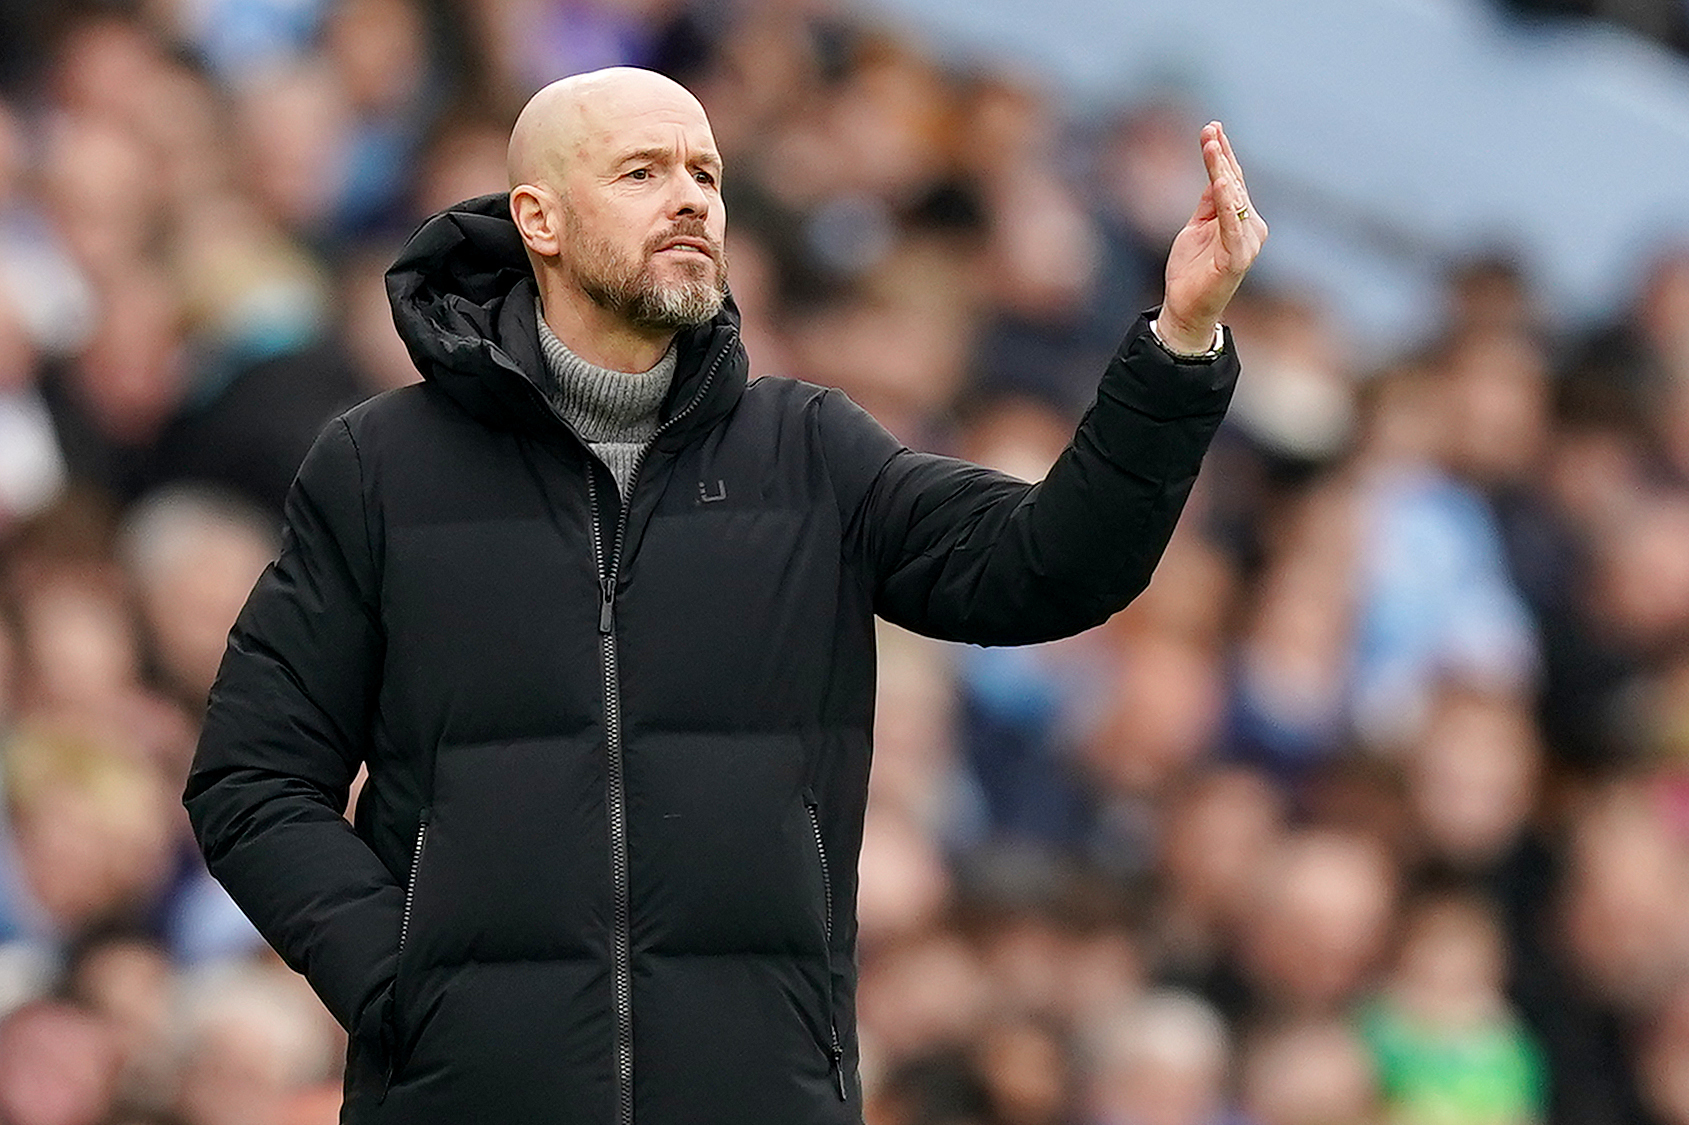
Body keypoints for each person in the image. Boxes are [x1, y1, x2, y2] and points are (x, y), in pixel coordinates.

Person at [183, 66, 1266, 1124]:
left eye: (706, 172)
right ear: (538, 220)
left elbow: (1047, 566)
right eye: (644, 172)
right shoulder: (380, 468)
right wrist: (408, 986)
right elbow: (252, 776)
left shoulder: (809, 450)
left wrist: (1177, 345)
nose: (693, 197)